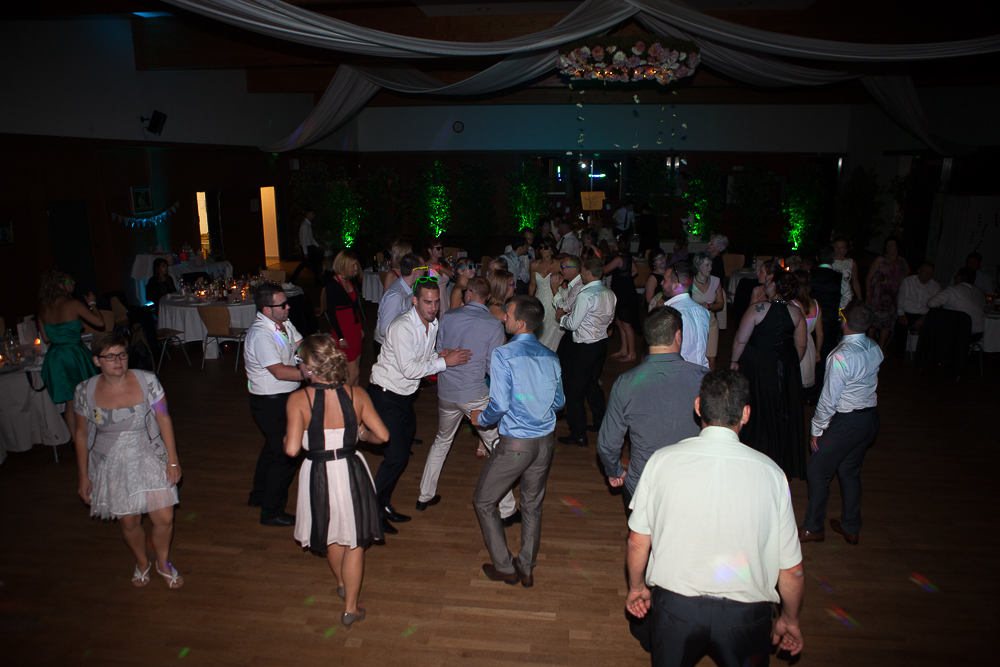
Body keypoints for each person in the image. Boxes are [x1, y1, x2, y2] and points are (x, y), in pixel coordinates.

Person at [626, 370, 804, 666]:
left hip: (676, 608)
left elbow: (637, 541)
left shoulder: (662, 461)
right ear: (746, 414)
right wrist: (790, 618)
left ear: (698, 407)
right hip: (746, 615)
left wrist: (636, 588)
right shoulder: (773, 475)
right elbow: (793, 570)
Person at [285, 335, 389, 628]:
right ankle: (350, 608)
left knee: (331, 534)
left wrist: (290, 436)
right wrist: (360, 434)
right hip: (350, 469)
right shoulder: (357, 394)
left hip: (318, 472)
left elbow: (291, 449)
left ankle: (343, 583)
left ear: (309, 367)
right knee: (354, 541)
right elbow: (383, 436)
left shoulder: (298, 399)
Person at [73, 333, 184, 589]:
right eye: (110, 357)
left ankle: (163, 562)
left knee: (165, 518)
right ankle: (143, 562)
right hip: (110, 460)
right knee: (130, 521)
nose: (118, 361)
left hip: (149, 452)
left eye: (122, 355)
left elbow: (164, 417)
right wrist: (83, 475)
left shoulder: (147, 380)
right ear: (97, 361)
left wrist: (173, 460)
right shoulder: (84, 390)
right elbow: (80, 434)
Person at [470, 295, 564, 588]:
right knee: (532, 505)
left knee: (483, 501)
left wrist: (480, 419)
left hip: (516, 444)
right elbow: (559, 401)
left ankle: (505, 567)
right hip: (545, 443)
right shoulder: (551, 357)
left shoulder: (503, 355)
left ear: (520, 323)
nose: (503, 318)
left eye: (508, 315)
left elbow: (499, 405)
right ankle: (526, 567)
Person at [367, 278, 472, 536]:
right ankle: (372, 512)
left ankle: (383, 504)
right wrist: (445, 363)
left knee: (400, 455)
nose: (433, 307)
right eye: (427, 302)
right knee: (396, 458)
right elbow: (410, 369)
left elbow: (421, 358)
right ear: (414, 301)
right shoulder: (402, 327)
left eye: (436, 302)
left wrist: (438, 356)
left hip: (404, 396)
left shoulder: (432, 324)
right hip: (384, 395)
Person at [416, 277, 519, 522]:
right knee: (497, 448)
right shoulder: (494, 325)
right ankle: (507, 510)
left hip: (447, 392)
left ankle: (424, 496)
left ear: (469, 294)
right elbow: (492, 367)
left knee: (441, 441)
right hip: (474, 396)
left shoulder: (448, 317)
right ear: (487, 297)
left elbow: (440, 352)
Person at [598, 306, 707, 511]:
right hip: (692, 484)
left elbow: (608, 444)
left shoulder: (626, 382)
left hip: (644, 486)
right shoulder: (705, 379)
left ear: (648, 339)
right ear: (678, 336)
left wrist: (614, 471)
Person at [800, 300, 882, 546]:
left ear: (844, 322)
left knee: (817, 471)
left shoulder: (840, 356)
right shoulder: (874, 347)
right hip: (869, 421)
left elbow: (828, 399)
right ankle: (851, 527)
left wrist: (816, 429)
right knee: (849, 471)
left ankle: (813, 528)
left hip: (847, 424)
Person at [730, 271, 808, 479]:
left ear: (773, 286)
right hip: (784, 371)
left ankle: (755, 457)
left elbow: (740, 340)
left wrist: (734, 362)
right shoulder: (796, 312)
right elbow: (801, 345)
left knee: (757, 411)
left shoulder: (757, 309)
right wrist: (788, 365)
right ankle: (780, 460)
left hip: (757, 369)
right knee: (782, 412)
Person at [245, 283, 303, 526]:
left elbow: (299, 344)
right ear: (267, 310)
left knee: (272, 448)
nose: (288, 307)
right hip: (270, 402)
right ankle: (271, 512)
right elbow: (279, 371)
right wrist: (314, 373)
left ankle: (258, 495)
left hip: (283, 397)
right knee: (286, 455)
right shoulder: (261, 335)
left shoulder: (282, 322)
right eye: (282, 305)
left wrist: (312, 354)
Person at [557, 255, 616, 447]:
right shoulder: (610, 293)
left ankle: (578, 433)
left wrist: (561, 317)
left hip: (583, 347)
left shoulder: (585, 295)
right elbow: (609, 321)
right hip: (601, 345)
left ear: (589, 273)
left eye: (582, 270)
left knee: (574, 390)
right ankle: (600, 422)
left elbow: (572, 324)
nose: (581, 273)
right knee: (592, 384)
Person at [39, 269, 104, 440]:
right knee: (91, 394)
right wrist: (92, 303)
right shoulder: (73, 304)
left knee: (70, 401)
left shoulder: (44, 308)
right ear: (60, 285)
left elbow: (46, 338)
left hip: (55, 356)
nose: (73, 283)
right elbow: (99, 322)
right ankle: (99, 433)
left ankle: (77, 441)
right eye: (69, 281)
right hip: (74, 354)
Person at [650, 262, 710, 368]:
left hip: (681, 372)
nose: (661, 283)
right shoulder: (702, 311)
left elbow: (663, 353)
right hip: (701, 372)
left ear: (676, 285)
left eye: (665, 280)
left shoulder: (671, 313)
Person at [373, 253, 427, 359]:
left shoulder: (409, 288)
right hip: (387, 349)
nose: (426, 271)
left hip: (398, 345)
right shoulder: (396, 296)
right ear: (415, 271)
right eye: (424, 268)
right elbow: (385, 330)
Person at [325, 250, 364, 386]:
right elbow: (332, 314)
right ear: (344, 265)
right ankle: (341, 396)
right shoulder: (332, 285)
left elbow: (354, 307)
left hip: (354, 327)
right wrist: (340, 337)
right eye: (353, 265)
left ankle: (355, 397)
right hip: (343, 329)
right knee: (353, 373)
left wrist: (359, 328)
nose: (356, 268)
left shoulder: (348, 280)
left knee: (356, 369)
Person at [865, 237, 910, 350]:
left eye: (892, 245)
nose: (889, 247)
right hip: (878, 296)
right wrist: (868, 293)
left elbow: (907, 274)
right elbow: (869, 277)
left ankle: (881, 349)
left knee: (887, 323)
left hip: (892, 297)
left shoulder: (902, 261)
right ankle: (867, 347)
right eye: (887, 245)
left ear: (897, 247)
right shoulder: (881, 259)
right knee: (873, 322)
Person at [926, 266, 987, 340]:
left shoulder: (952, 290)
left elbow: (931, 303)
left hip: (957, 332)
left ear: (959, 277)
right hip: (977, 333)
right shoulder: (979, 292)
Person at [605, 232, 640, 362]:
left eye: (615, 242)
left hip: (624, 295)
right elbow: (635, 271)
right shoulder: (628, 258)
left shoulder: (619, 259)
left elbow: (604, 270)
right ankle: (624, 350)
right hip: (625, 292)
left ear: (618, 245)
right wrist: (625, 278)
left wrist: (622, 280)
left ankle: (632, 353)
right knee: (620, 322)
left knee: (626, 324)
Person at [894, 261, 941, 354]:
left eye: (930, 273)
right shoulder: (908, 281)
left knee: (931, 328)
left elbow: (936, 307)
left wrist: (925, 317)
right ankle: (899, 351)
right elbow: (900, 300)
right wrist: (902, 314)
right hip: (908, 313)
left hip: (925, 315)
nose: (928, 275)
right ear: (919, 271)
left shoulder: (935, 286)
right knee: (901, 324)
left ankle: (922, 353)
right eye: (926, 272)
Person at [811, 247, 845, 377]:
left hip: (812, 320)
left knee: (811, 351)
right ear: (833, 258)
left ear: (817, 258)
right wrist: (841, 318)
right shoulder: (839, 277)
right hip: (830, 320)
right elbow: (845, 300)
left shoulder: (810, 275)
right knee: (827, 355)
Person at [690, 252, 725, 370]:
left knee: (711, 360)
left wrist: (709, 306)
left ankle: (710, 381)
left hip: (711, 323)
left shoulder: (716, 281)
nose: (710, 268)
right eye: (706, 265)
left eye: (711, 265)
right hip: (695, 324)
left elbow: (720, 304)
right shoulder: (689, 282)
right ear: (698, 266)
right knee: (696, 358)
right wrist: (697, 306)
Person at [528, 239, 565, 352]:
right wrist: (529, 301)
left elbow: (564, 286)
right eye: (540, 247)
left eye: (546, 247)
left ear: (551, 249)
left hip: (553, 301)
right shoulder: (534, 265)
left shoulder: (559, 265)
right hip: (539, 301)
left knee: (553, 332)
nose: (542, 250)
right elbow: (532, 284)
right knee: (538, 331)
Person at [792, 269, 823, 393]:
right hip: (809, 346)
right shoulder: (815, 304)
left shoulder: (792, 304)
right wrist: (817, 352)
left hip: (795, 345)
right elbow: (820, 334)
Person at [290, 210, 322, 285]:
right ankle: (292, 279)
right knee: (309, 264)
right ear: (308, 214)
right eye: (312, 214)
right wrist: (305, 252)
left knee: (309, 264)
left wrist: (317, 245)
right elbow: (304, 240)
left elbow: (310, 238)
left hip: (308, 247)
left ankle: (292, 279)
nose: (313, 215)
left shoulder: (307, 224)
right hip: (307, 247)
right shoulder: (305, 225)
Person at [422, 238, 454, 315]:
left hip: (445, 297)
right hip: (434, 298)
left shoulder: (443, 264)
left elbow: (454, 275)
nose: (441, 250)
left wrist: (439, 267)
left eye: (441, 248)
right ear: (430, 250)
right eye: (438, 248)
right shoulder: (425, 265)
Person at [832, 235, 863, 307]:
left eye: (842, 247)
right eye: (837, 247)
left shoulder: (851, 263)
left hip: (846, 297)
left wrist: (860, 299)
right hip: (832, 296)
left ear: (846, 249)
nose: (839, 250)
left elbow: (855, 282)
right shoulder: (830, 261)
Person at [552, 255, 583, 319]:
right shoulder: (573, 283)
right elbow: (565, 298)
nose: (560, 270)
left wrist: (554, 289)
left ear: (573, 269)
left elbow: (564, 308)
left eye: (562, 267)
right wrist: (557, 286)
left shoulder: (579, 286)